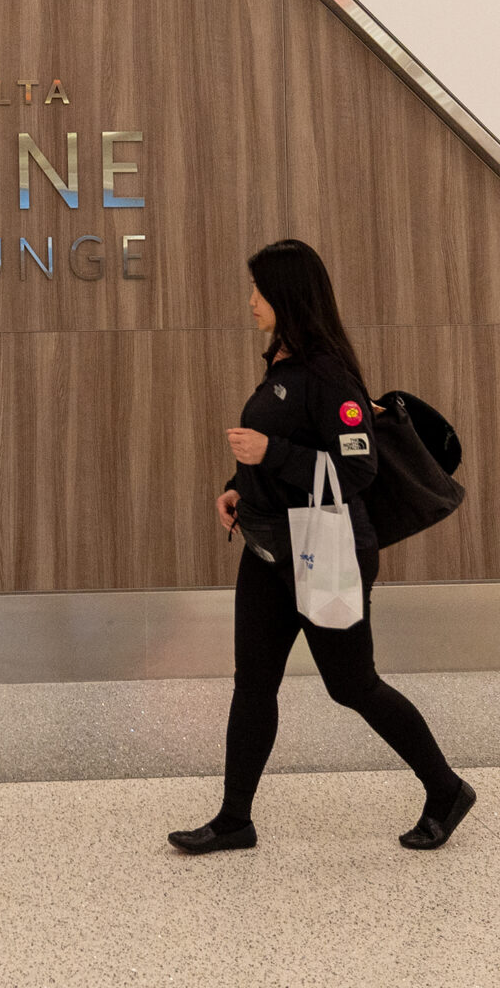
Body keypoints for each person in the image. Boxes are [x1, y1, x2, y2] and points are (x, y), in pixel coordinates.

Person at [169, 238, 475, 853]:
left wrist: (270, 453)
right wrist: (239, 485)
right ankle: (234, 819)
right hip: (268, 548)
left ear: (287, 296)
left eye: (258, 289)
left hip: (326, 551)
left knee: (352, 685)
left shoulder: (328, 373)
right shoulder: (283, 364)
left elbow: (357, 470)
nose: (250, 300)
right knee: (254, 682)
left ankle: (446, 789)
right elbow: (290, 446)